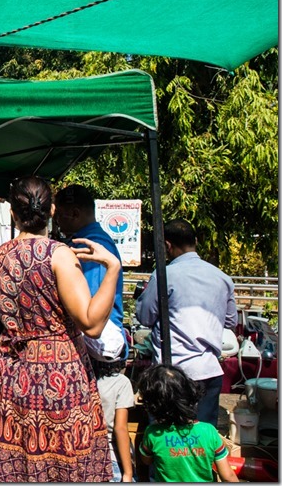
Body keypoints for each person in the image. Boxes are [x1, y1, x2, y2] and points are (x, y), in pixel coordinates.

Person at [0, 176, 121, 482]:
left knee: (21, 461)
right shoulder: (59, 254)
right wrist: (112, 268)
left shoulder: (1, 254)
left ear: (13, 213)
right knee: (67, 464)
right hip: (59, 376)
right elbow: (92, 323)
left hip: (15, 376)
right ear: (52, 209)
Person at [135, 218, 237, 427]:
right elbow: (231, 320)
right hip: (208, 371)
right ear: (196, 241)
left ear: (168, 245)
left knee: (166, 441)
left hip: (171, 375)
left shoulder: (165, 275)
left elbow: (145, 317)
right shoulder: (222, 277)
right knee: (202, 442)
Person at [55, 184, 127, 356]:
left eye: (59, 214)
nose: (56, 220)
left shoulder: (91, 245)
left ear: (75, 214)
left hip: (97, 342)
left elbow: (91, 307)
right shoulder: (81, 241)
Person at [137, 364, 238, 482]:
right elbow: (228, 476)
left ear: (154, 406)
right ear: (189, 393)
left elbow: (146, 460)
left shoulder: (153, 434)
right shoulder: (208, 431)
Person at [89, 355, 135, 482]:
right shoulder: (121, 382)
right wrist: (128, 473)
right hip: (112, 458)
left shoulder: (80, 380)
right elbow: (120, 428)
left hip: (87, 460)